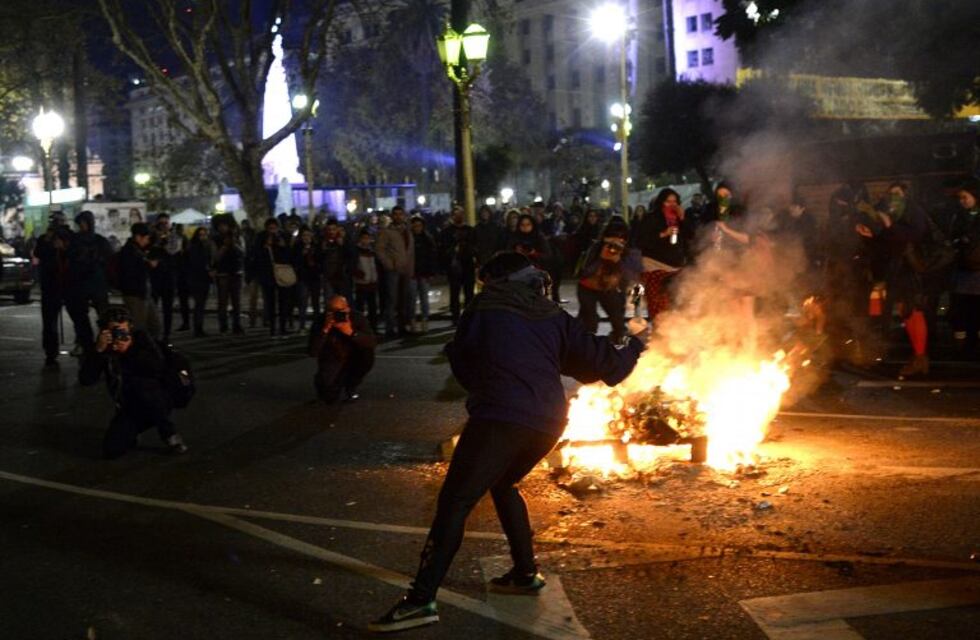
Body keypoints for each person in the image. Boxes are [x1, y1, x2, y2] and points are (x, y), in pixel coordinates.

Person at [369, 251, 647, 633]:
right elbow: (605, 366)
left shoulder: (484, 309)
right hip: (549, 424)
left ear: (494, 281)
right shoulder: (552, 315)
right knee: (504, 484)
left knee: (455, 502)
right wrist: (637, 342)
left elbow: (465, 366)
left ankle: (420, 601)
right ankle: (524, 572)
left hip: (500, 418)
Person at [79, 306, 189, 459]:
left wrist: (129, 350)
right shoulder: (103, 347)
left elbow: (157, 366)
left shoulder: (141, 339)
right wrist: (98, 351)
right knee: (112, 449)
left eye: (124, 330)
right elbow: (86, 379)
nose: (120, 336)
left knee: (142, 386)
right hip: (130, 406)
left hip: (159, 400)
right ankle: (133, 430)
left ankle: (169, 434)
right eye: (115, 331)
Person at [576, 216, 643, 342]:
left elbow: (632, 276)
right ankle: (587, 344)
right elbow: (585, 271)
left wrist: (618, 262)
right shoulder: (597, 247)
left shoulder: (631, 252)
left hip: (610, 289)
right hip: (588, 287)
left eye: (620, 237)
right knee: (589, 318)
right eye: (612, 236)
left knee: (617, 319)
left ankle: (618, 342)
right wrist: (601, 258)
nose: (616, 241)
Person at [309, 295, 377, 403]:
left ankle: (351, 385)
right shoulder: (320, 321)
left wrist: (351, 332)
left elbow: (371, 342)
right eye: (331, 311)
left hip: (354, 357)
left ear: (347, 309)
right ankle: (326, 385)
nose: (335, 315)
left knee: (367, 353)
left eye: (339, 311)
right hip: (333, 358)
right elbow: (313, 351)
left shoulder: (357, 318)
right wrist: (325, 330)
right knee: (329, 397)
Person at [635, 188, 688, 322]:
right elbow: (641, 240)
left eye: (674, 202)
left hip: (676, 265)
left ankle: (674, 335)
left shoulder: (681, 218)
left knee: (677, 304)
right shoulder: (651, 218)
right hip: (654, 264)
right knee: (658, 304)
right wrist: (663, 234)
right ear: (661, 202)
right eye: (667, 201)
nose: (671, 205)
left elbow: (692, 236)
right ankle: (659, 335)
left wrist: (683, 219)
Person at [64, 210, 112, 354]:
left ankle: (90, 344)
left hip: (83, 284)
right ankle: (99, 343)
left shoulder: (76, 241)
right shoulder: (99, 241)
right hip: (95, 284)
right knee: (100, 315)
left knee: (84, 317)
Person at [33, 211, 72, 367]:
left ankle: (83, 345)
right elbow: (38, 253)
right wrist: (48, 241)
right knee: (49, 321)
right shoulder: (45, 238)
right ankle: (51, 351)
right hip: (50, 285)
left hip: (67, 283)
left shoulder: (69, 237)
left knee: (78, 317)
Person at [948, 180, 980, 358]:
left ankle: (973, 343)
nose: (962, 201)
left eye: (965, 197)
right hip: (964, 269)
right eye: (960, 198)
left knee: (975, 308)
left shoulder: (971, 217)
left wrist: (965, 240)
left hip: (976, 269)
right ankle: (965, 344)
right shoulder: (959, 216)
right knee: (963, 308)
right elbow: (954, 237)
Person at [118, 223, 163, 340]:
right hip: (135, 295)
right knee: (139, 329)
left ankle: (151, 350)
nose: (148, 241)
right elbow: (133, 274)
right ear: (138, 237)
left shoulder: (137, 250)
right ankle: (139, 354)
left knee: (155, 326)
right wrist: (148, 265)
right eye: (146, 238)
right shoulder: (129, 252)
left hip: (143, 294)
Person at [375, 205, 414, 338]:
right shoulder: (387, 232)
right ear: (392, 216)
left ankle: (402, 326)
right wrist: (389, 264)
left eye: (400, 214)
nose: (398, 216)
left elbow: (410, 251)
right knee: (392, 300)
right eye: (395, 214)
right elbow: (379, 249)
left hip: (406, 269)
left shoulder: (407, 231)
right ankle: (390, 329)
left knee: (404, 300)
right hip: (393, 270)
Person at [253, 218, 292, 336]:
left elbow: (289, 255)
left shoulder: (284, 236)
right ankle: (272, 327)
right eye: (270, 228)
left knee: (283, 301)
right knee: (270, 302)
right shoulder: (261, 237)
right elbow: (256, 255)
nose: (273, 230)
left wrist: (283, 246)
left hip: (281, 273)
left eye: (274, 228)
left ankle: (283, 326)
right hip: (268, 274)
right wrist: (266, 246)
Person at [438, 206, 477, 326]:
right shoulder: (447, 231)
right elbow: (443, 248)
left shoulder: (470, 230)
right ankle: (455, 317)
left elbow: (475, 245)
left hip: (468, 264)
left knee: (469, 292)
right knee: (454, 292)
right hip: (454, 265)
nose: (458, 216)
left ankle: (468, 316)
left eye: (460, 214)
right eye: (456, 214)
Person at [149, 212, 181, 341]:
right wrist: (156, 239)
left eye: (165, 223)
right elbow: (149, 251)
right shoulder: (151, 236)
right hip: (155, 277)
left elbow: (172, 251)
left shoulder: (174, 236)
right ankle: (154, 333)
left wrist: (164, 239)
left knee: (168, 308)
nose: (163, 226)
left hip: (169, 276)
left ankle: (166, 334)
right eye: (160, 223)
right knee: (153, 307)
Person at [211, 215, 245, 334]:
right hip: (222, 274)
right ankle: (223, 325)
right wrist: (224, 246)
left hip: (236, 272)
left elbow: (243, 252)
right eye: (220, 225)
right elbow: (215, 257)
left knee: (237, 301)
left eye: (224, 225)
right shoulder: (215, 239)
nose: (222, 228)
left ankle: (237, 325)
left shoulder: (237, 236)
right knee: (222, 302)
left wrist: (234, 244)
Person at [410, 214, 438, 333]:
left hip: (424, 272)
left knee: (424, 298)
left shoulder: (427, 238)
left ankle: (424, 320)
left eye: (419, 225)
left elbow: (432, 256)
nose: (417, 228)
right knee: (411, 298)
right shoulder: (409, 239)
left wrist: (431, 271)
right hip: (412, 272)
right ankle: (412, 321)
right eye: (415, 225)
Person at [294, 226, 322, 332]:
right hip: (303, 277)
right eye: (304, 235)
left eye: (308, 235)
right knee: (303, 302)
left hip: (315, 277)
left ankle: (317, 325)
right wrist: (302, 255)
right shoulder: (297, 247)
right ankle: (302, 325)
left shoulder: (316, 246)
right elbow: (294, 261)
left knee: (316, 302)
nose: (306, 237)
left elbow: (321, 259)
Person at [186, 227, 213, 337]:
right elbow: (197, 264)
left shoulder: (205, 247)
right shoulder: (195, 248)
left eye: (205, 235)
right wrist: (207, 271)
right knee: (199, 305)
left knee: (201, 305)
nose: (203, 237)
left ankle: (199, 327)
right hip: (197, 279)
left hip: (202, 279)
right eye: (201, 235)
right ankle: (198, 328)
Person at [473, 205, 503, 269]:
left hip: (494, 257)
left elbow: (500, 241)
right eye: (482, 212)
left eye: (486, 212)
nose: (484, 214)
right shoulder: (476, 228)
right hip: (481, 258)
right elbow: (474, 243)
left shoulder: (496, 227)